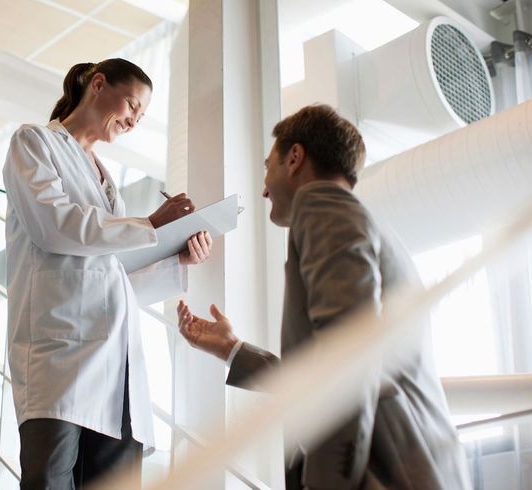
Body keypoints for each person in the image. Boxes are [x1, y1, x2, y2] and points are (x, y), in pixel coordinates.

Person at [177, 105, 471, 489]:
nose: (264, 188)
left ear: (295, 158)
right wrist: (233, 349)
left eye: (269, 166)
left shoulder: (323, 206)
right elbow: (330, 369)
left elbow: (347, 366)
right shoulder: (359, 219)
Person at [3, 58, 212, 489]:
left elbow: (112, 277)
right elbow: (53, 226)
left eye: (142, 115)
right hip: (59, 356)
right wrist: (150, 225)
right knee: (51, 481)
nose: (135, 120)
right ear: (98, 85)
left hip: (116, 362)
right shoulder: (34, 142)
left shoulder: (105, 179)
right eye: (133, 105)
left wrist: (177, 258)